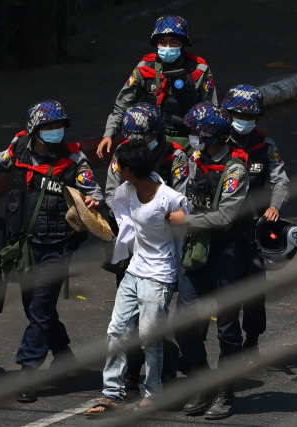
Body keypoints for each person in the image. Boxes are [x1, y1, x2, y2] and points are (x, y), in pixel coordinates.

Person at [0, 100, 103, 403]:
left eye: (59, 126)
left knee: (40, 308)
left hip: (57, 247)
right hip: (24, 246)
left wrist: (93, 201)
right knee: (34, 308)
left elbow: (93, 190)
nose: (55, 132)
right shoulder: (18, 149)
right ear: (34, 130)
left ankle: (28, 371)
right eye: (48, 127)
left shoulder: (73, 159)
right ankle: (65, 356)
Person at [85, 140, 190, 416]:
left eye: (119, 165)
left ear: (129, 170)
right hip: (134, 271)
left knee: (148, 338)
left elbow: (188, 222)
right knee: (116, 331)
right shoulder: (126, 190)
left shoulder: (168, 198)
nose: (116, 168)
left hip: (159, 275)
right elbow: (121, 220)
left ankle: (153, 393)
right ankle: (113, 394)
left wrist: (182, 220)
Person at [167, 102, 250, 420]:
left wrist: (186, 222)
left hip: (227, 254)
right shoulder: (191, 160)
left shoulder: (235, 169)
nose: (192, 140)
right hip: (196, 252)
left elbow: (228, 215)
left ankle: (225, 393)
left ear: (213, 136)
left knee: (228, 329)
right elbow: (180, 195)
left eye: (196, 135)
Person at [103, 102, 187, 396]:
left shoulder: (177, 157)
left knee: (151, 321)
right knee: (125, 323)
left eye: (144, 137)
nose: (139, 143)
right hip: (132, 249)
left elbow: (181, 201)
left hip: (164, 251)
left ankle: (163, 373)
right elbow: (113, 191)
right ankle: (129, 377)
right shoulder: (122, 156)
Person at [221, 84, 289, 354]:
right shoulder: (217, 143)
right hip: (222, 228)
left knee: (252, 292)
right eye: (240, 115)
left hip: (254, 230)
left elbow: (280, 181)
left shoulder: (266, 146)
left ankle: (252, 340)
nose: (245, 121)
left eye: (250, 117)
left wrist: (275, 206)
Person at [97, 14, 217, 160]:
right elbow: (122, 105)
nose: (168, 47)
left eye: (173, 42)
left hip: (189, 142)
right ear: (156, 43)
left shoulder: (199, 70)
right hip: (150, 140)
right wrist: (109, 134)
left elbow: (211, 112)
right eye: (163, 42)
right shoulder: (144, 68)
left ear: (183, 43)